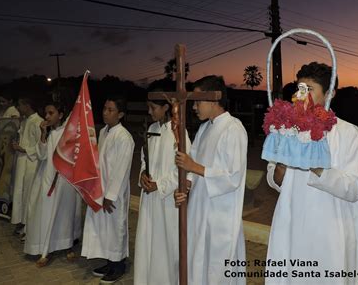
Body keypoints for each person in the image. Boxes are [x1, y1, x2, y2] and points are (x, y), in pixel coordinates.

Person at [266, 62, 358, 285]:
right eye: (299, 87)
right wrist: (281, 167)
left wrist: (316, 166)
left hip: (328, 231)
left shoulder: (349, 133)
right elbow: (274, 178)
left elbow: (355, 189)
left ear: (330, 92)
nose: (300, 94)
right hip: (290, 223)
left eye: (308, 89)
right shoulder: (286, 129)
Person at [174, 75, 248, 285]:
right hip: (199, 208)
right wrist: (186, 186)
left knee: (217, 267)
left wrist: (193, 167)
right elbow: (193, 165)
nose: (194, 107)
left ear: (214, 100)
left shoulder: (233, 128)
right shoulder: (205, 128)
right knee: (198, 263)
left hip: (220, 214)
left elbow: (232, 177)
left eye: (198, 102)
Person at [134, 89, 191, 285]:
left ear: (166, 107)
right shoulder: (151, 129)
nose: (150, 112)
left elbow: (183, 169)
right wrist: (143, 175)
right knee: (147, 243)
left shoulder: (178, 132)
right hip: (149, 198)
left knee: (165, 246)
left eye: (153, 108)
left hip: (166, 200)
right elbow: (145, 158)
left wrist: (160, 184)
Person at [82, 96, 134, 284]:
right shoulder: (103, 131)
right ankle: (109, 262)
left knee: (115, 228)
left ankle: (118, 265)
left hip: (114, 195)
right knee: (104, 229)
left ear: (120, 114)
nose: (105, 112)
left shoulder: (124, 137)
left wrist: (110, 196)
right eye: (104, 108)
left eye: (110, 110)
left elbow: (121, 170)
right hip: (100, 191)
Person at [24, 101, 82, 267]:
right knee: (48, 213)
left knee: (65, 214)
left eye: (51, 113)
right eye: (46, 113)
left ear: (61, 115)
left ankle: (67, 245)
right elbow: (41, 155)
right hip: (48, 178)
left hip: (65, 180)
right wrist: (43, 133)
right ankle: (46, 249)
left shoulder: (68, 133)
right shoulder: (49, 133)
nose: (47, 116)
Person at [10, 97, 44, 237]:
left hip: (32, 163)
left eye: (19, 105)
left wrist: (24, 149)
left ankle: (29, 227)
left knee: (29, 194)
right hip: (21, 162)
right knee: (20, 193)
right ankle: (22, 222)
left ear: (27, 105)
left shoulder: (38, 122)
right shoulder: (24, 121)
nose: (17, 108)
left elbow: (41, 146)